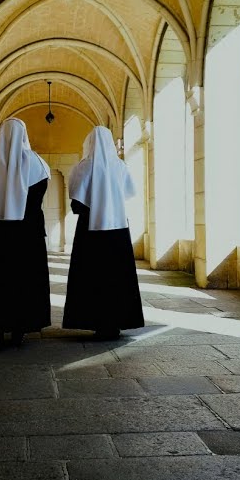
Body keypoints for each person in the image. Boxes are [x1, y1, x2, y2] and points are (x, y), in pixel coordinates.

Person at [63, 125, 145, 340]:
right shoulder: (120, 166)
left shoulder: (83, 167)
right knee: (118, 276)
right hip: (117, 229)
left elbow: (76, 204)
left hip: (89, 231)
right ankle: (116, 322)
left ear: (89, 142)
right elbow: (128, 194)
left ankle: (95, 322)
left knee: (91, 276)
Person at [0, 117, 52, 347]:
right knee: (25, 280)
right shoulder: (37, 164)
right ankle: (21, 327)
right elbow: (38, 197)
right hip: (28, 235)